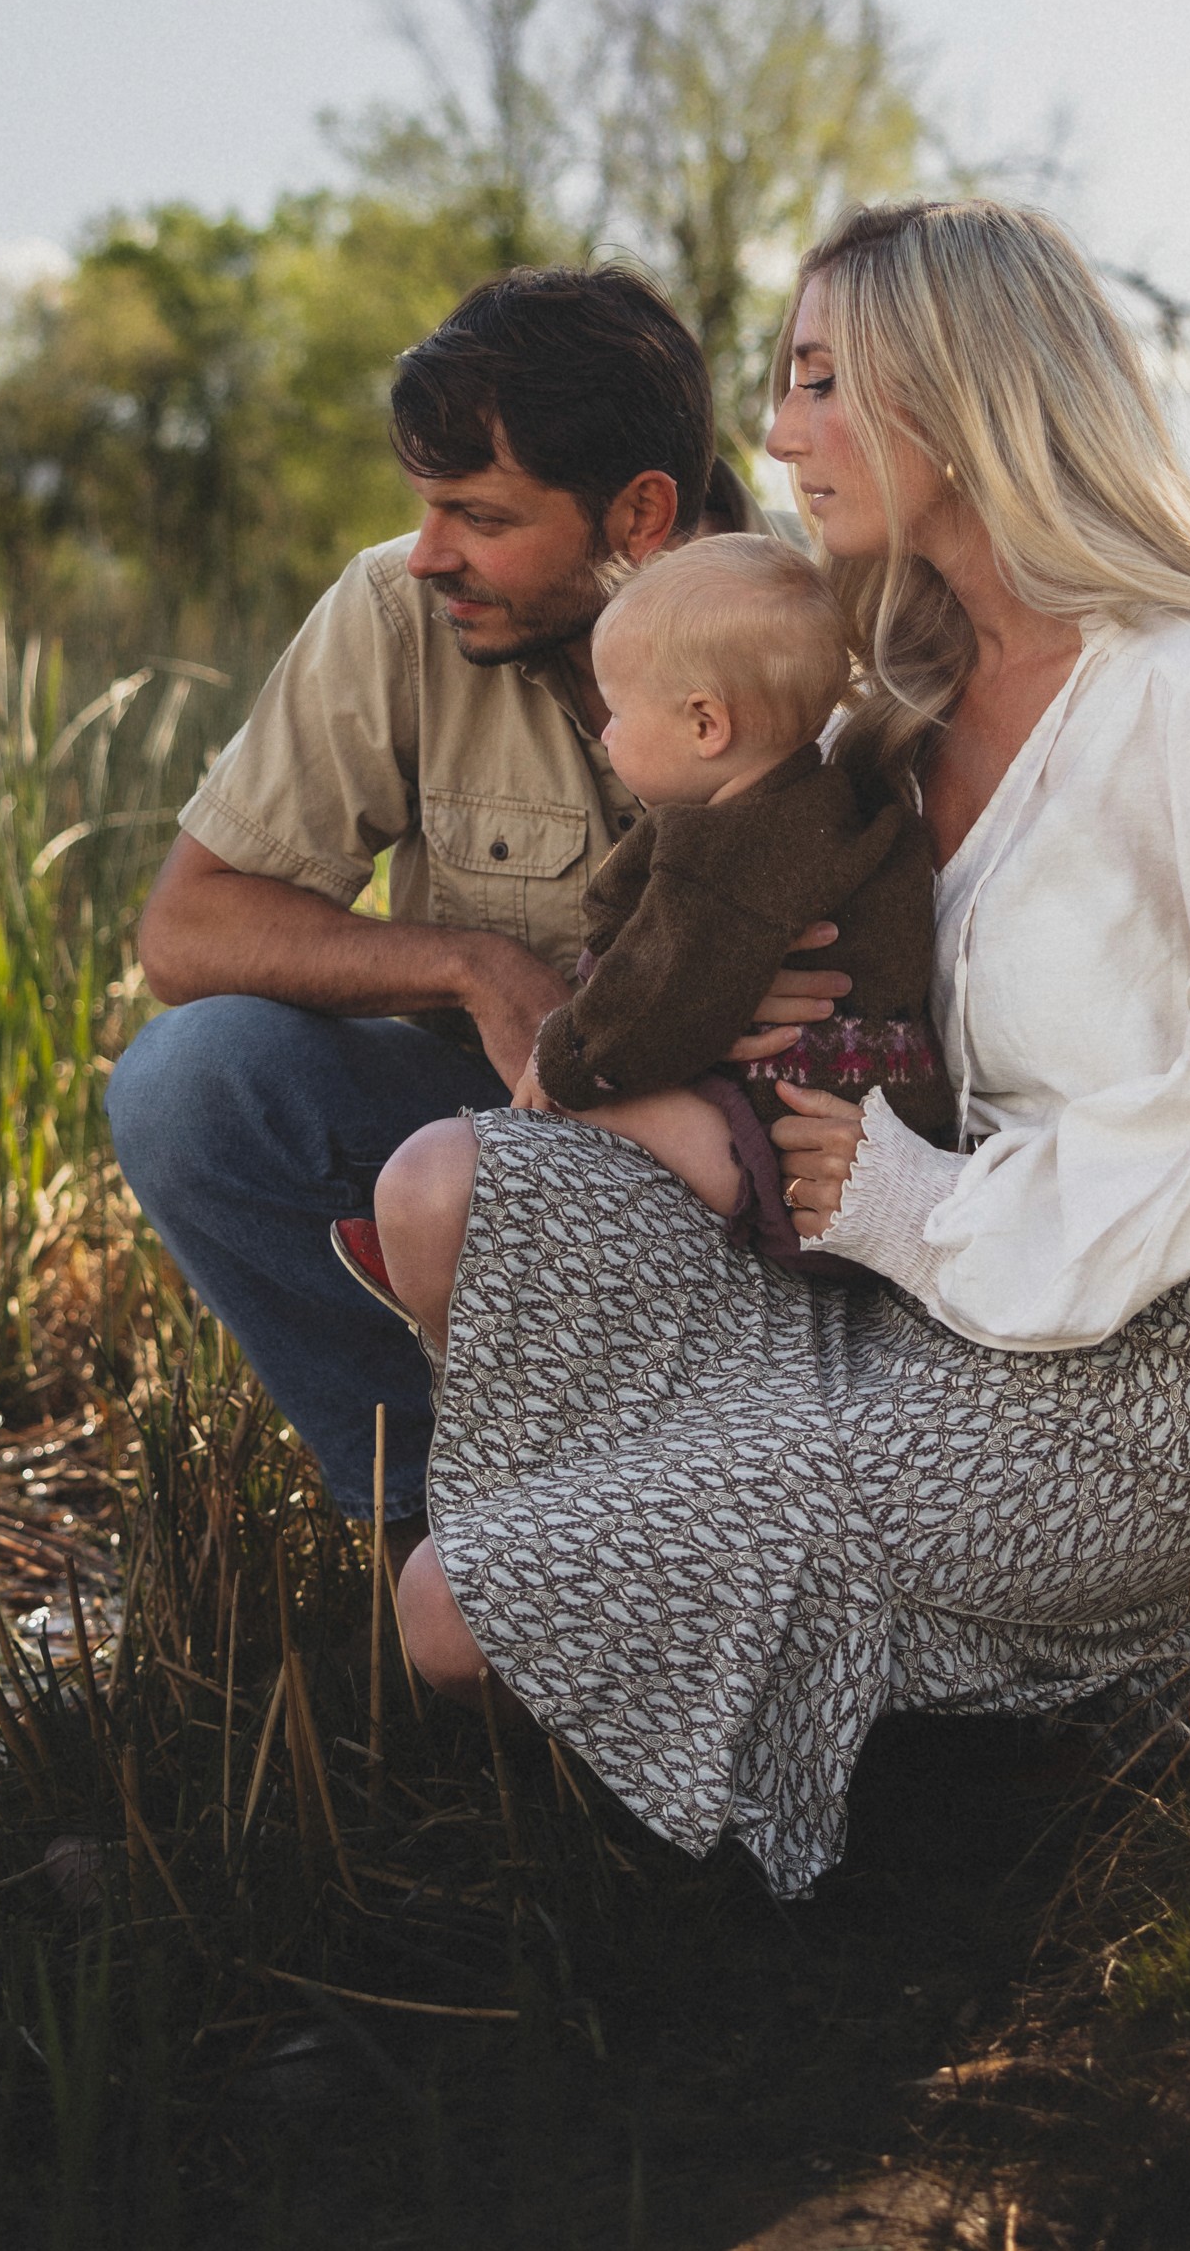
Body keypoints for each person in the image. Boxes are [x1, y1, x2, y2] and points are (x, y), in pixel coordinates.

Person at [372, 197, 1190, 1898]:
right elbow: (758, 938)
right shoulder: (896, 693)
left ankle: (1111, 1659)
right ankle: (847, 1683)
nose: (778, 431)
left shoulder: (1188, 685)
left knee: (447, 1612)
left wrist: (927, 1208)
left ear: (964, 392)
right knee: (453, 1186)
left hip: (1114, 1388)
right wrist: (737, 1044)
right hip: (892, 1281)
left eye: (819, 381)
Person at [106, 262, 841, 1533]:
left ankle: (700, 1513)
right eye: (427, 507)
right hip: (490, 1139)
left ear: (641, 513)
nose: (431, 553)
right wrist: (476, 969)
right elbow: (186, 931)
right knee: (189, 1081)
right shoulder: (397, 608)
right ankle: (424, 1522)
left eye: (482, 517)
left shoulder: (827, 626)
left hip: (767, 1171)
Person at [522, 534, 948, 1274]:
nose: (606, 730)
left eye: (618, 711)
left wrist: (561, 1060)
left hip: (788, 1157)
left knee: (575, 1109)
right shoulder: (833, 805)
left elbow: (655, 1003)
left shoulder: (719, 858)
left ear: (705, 725)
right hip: (882, 1116)